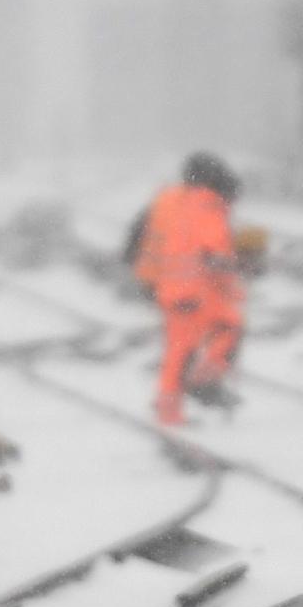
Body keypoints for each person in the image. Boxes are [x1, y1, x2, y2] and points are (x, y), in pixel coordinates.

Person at [128, 153, 246, 427]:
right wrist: (238, 275)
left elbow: (151, 238)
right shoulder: (209, 207)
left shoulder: (174, 199)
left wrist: (148, 279)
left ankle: (175, 399)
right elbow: (216, 256)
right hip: (193, 292)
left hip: (171, 287)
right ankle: (196, 387)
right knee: (224, 331)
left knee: (180, 350)